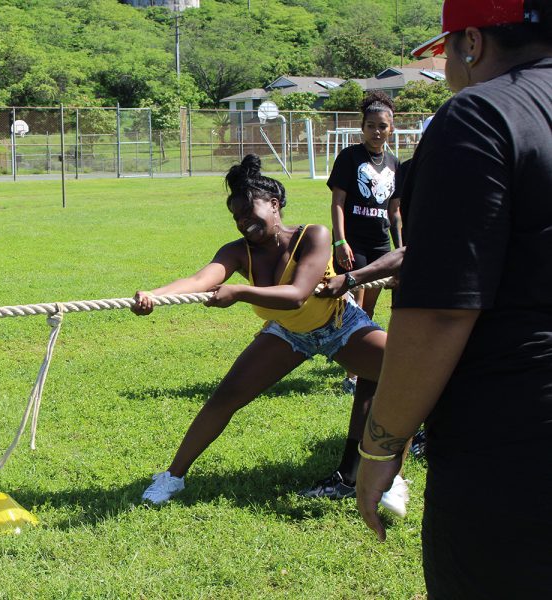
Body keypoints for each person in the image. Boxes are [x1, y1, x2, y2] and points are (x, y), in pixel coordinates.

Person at [354, 0, 552, 596]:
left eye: (446, 57)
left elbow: (441, 309)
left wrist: (381, 445)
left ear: (471, 43)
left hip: (512, 452)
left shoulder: (479, 116)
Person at [133, 155, 408, 516]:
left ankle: (391, 476)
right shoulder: (238, 252)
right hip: (288, 333)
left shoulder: (314, 235)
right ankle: (173, 476)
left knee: (401, 373)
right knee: (225, 397)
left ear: (275, 205)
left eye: (250, 211)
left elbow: (297, 294)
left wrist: (240, 292)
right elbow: (199, 281)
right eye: (237, 217)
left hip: (340, 326)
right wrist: (155, 294)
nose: (244, 222)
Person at [328, 92, 402, 394]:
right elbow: (338, 202)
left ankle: (361, 360)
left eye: (382, 126)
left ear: (391, 129)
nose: (376, 131)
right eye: (371, 125)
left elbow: (395, 212)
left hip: (380, 246)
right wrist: (340, 240)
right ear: (362, 127)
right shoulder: (349, 157)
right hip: (353, 243)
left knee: (367, 309)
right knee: (356, 303)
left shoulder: (395, 163)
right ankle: (354, 376)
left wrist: (400, 251)